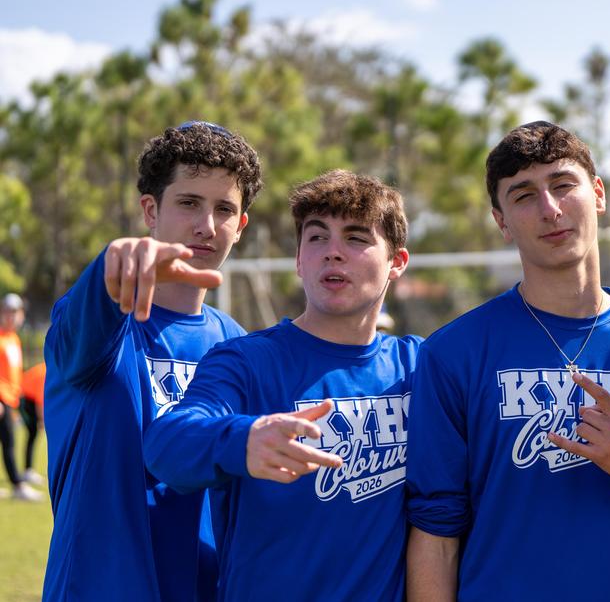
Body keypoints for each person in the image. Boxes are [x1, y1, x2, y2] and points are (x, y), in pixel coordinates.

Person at [405, 121, 610, 601]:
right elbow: (437, 538)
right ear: (501, 221)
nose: (550, 209)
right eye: (524, 195)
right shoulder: (453, 353)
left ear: (598, 194)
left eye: (563, 185)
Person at [144, 169, 419, 602]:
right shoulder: (245, 361)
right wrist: (243, 439)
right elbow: (166, 445)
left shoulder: (419, 367)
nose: (332, 252)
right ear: (298, 260)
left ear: (397, 262)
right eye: (317, 237)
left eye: (355, 238)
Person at [43, 121, 262, 602]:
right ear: (150, 210)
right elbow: (90, 314)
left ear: (241, 226)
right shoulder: (98, 322)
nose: (207, 225)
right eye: (189, 203)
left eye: (224, 209)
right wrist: (113, 263)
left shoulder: (238, 344)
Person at [0, 292, 40, 501]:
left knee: (8, 440)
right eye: (7, 311)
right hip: (2, 398)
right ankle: (18, 484)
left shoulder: (14, 339)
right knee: (9, 441)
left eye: (14, 312)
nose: (11, 316)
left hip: (12, 398)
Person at [20, 360, 45, 486]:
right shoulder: (46, 372)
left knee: (32, 435)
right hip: (25, 399)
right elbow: (40, 401)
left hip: (28, 399)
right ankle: (28, 471)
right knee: (32, 433)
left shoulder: (48, 368)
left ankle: (29, 470)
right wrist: (41, 421)